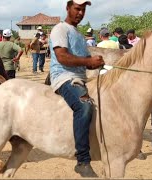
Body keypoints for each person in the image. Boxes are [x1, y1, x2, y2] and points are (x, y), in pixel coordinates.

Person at [49, 0, 104, 177]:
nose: (80, 13)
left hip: (80, 79)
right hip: (64, 77)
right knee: (84, 106)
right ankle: (82, 160)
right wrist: (88, 61)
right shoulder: (60, 29)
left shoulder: (79, 36)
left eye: (83, 10)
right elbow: (62, 57)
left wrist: (96, 63)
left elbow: (86, 63)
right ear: (68, 8)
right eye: (77, 9)